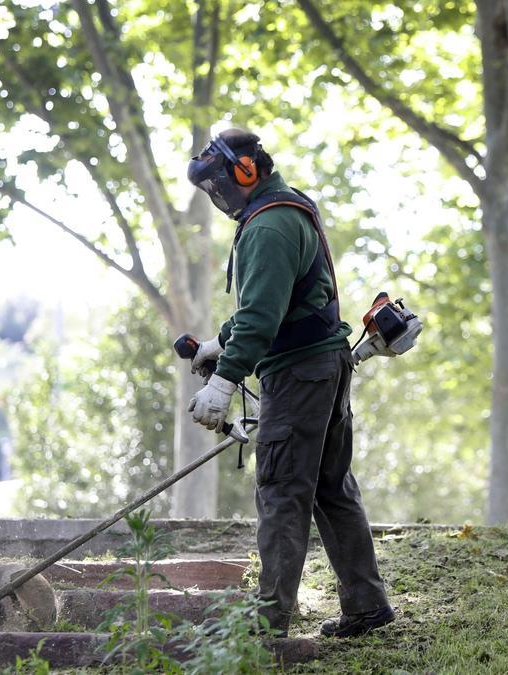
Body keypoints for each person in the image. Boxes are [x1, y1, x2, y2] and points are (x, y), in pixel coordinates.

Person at [184, 128, 394, 638]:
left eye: (219, 185)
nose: (218, 197)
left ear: (246, 170)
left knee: (281, 490)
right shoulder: (287, 208)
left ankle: (270, 620)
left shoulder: (268, 227)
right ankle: (366, 607)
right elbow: (276, 303)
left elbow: (261, 316)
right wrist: (219, 342)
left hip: (299, 372)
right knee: (330, 487)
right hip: (324, 363)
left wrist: (224, 381)